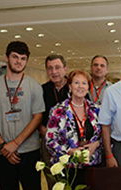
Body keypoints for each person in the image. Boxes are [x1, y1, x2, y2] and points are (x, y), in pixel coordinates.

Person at [0, 41, 45, 190]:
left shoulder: (34, 86)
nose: (19, 61)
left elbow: (37, 117)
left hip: (29, 151)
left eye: (23, 58)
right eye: (15, 57)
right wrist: (3, 147)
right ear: (6, 58)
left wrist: (15, 144)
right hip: (1, 152)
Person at [45, 70, 102, 187]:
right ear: (70, 86)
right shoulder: (58, 110)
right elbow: (50, 141)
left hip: (94, 166)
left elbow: (106, 136)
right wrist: (70, 151)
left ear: (88, 87)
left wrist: (96, 144)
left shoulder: (96, 110)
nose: (80, 86)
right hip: (69, 168)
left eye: (84, 83)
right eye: (76, 83)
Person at [39, 54, 69, 189]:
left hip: (71, 142)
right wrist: (42, 129)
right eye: (50, 68)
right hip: (48, 142)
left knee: (71, 178)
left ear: (65, 69)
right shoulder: (42, 90)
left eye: (57, 67)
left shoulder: (75, 86)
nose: (54, 72)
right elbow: (36, 115)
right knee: (53, 179)